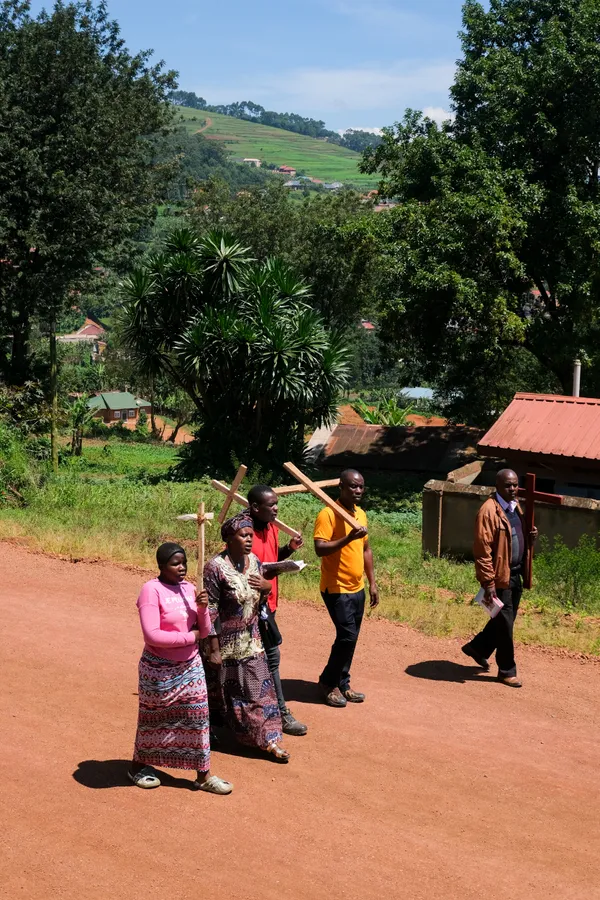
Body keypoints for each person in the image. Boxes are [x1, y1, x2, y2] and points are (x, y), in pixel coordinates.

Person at [129, 542, 233, 794]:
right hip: (159, 668)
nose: (182, 568)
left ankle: (203, 775)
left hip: (190, 666)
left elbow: (206, 631)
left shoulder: (190, 589)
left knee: (198, 717)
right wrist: (191, 636)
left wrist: (202, 608)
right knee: (155, 719)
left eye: (184, 562)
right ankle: (139, 765)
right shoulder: (150, 590)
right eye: (175, 563)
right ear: (161, 566)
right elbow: (152, 635)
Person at [203, 513, 290, 762]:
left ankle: (270, 741)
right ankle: (211, 733)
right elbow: (210, 610)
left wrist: (267, 588)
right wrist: (214, 648)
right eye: (244, 535)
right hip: (224, 645)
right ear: (229, 539)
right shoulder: (215, 568)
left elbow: (257, 600)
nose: (249, 540)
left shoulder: (254, 561)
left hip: (251, 642)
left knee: (260, 693)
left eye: (251, 535)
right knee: (221, 696)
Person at [462, 469, 538, 688]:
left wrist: (530, 536)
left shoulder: (516, 508)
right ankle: (506, 670)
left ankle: (478, 648)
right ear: (497, 485)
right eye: (508, 485)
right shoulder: (488, 512)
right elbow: (482, 549)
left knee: (505, 620)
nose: (513, 489)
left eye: (515, 485)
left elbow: (517, 537)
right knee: (505, 626)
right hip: (499, 577)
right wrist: (488, 582)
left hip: (516, 574)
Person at [313, 469, 379, 708]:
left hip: (357, 587)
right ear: (341, 487)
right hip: (335, 587)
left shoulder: (360, 514)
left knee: (351, 639)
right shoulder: (328, 514)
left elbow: (366, 550)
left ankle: (343, 682)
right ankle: (327, 683)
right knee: (346, 636)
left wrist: (372, 583)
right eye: (353, 486)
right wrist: (348, 537)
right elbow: (320, 548)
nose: (358, 490)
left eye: (361, 486)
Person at [247, 483, 308, 737]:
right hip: (249, 607)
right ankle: (280, 713)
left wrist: (289, 551)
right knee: (269, 658)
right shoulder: (244, 532)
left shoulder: (271, 528)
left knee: (266, 658)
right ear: (255, 507)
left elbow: (271, 558)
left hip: (268, 605)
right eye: (271, 505)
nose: (275, 509)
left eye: (276, 504)